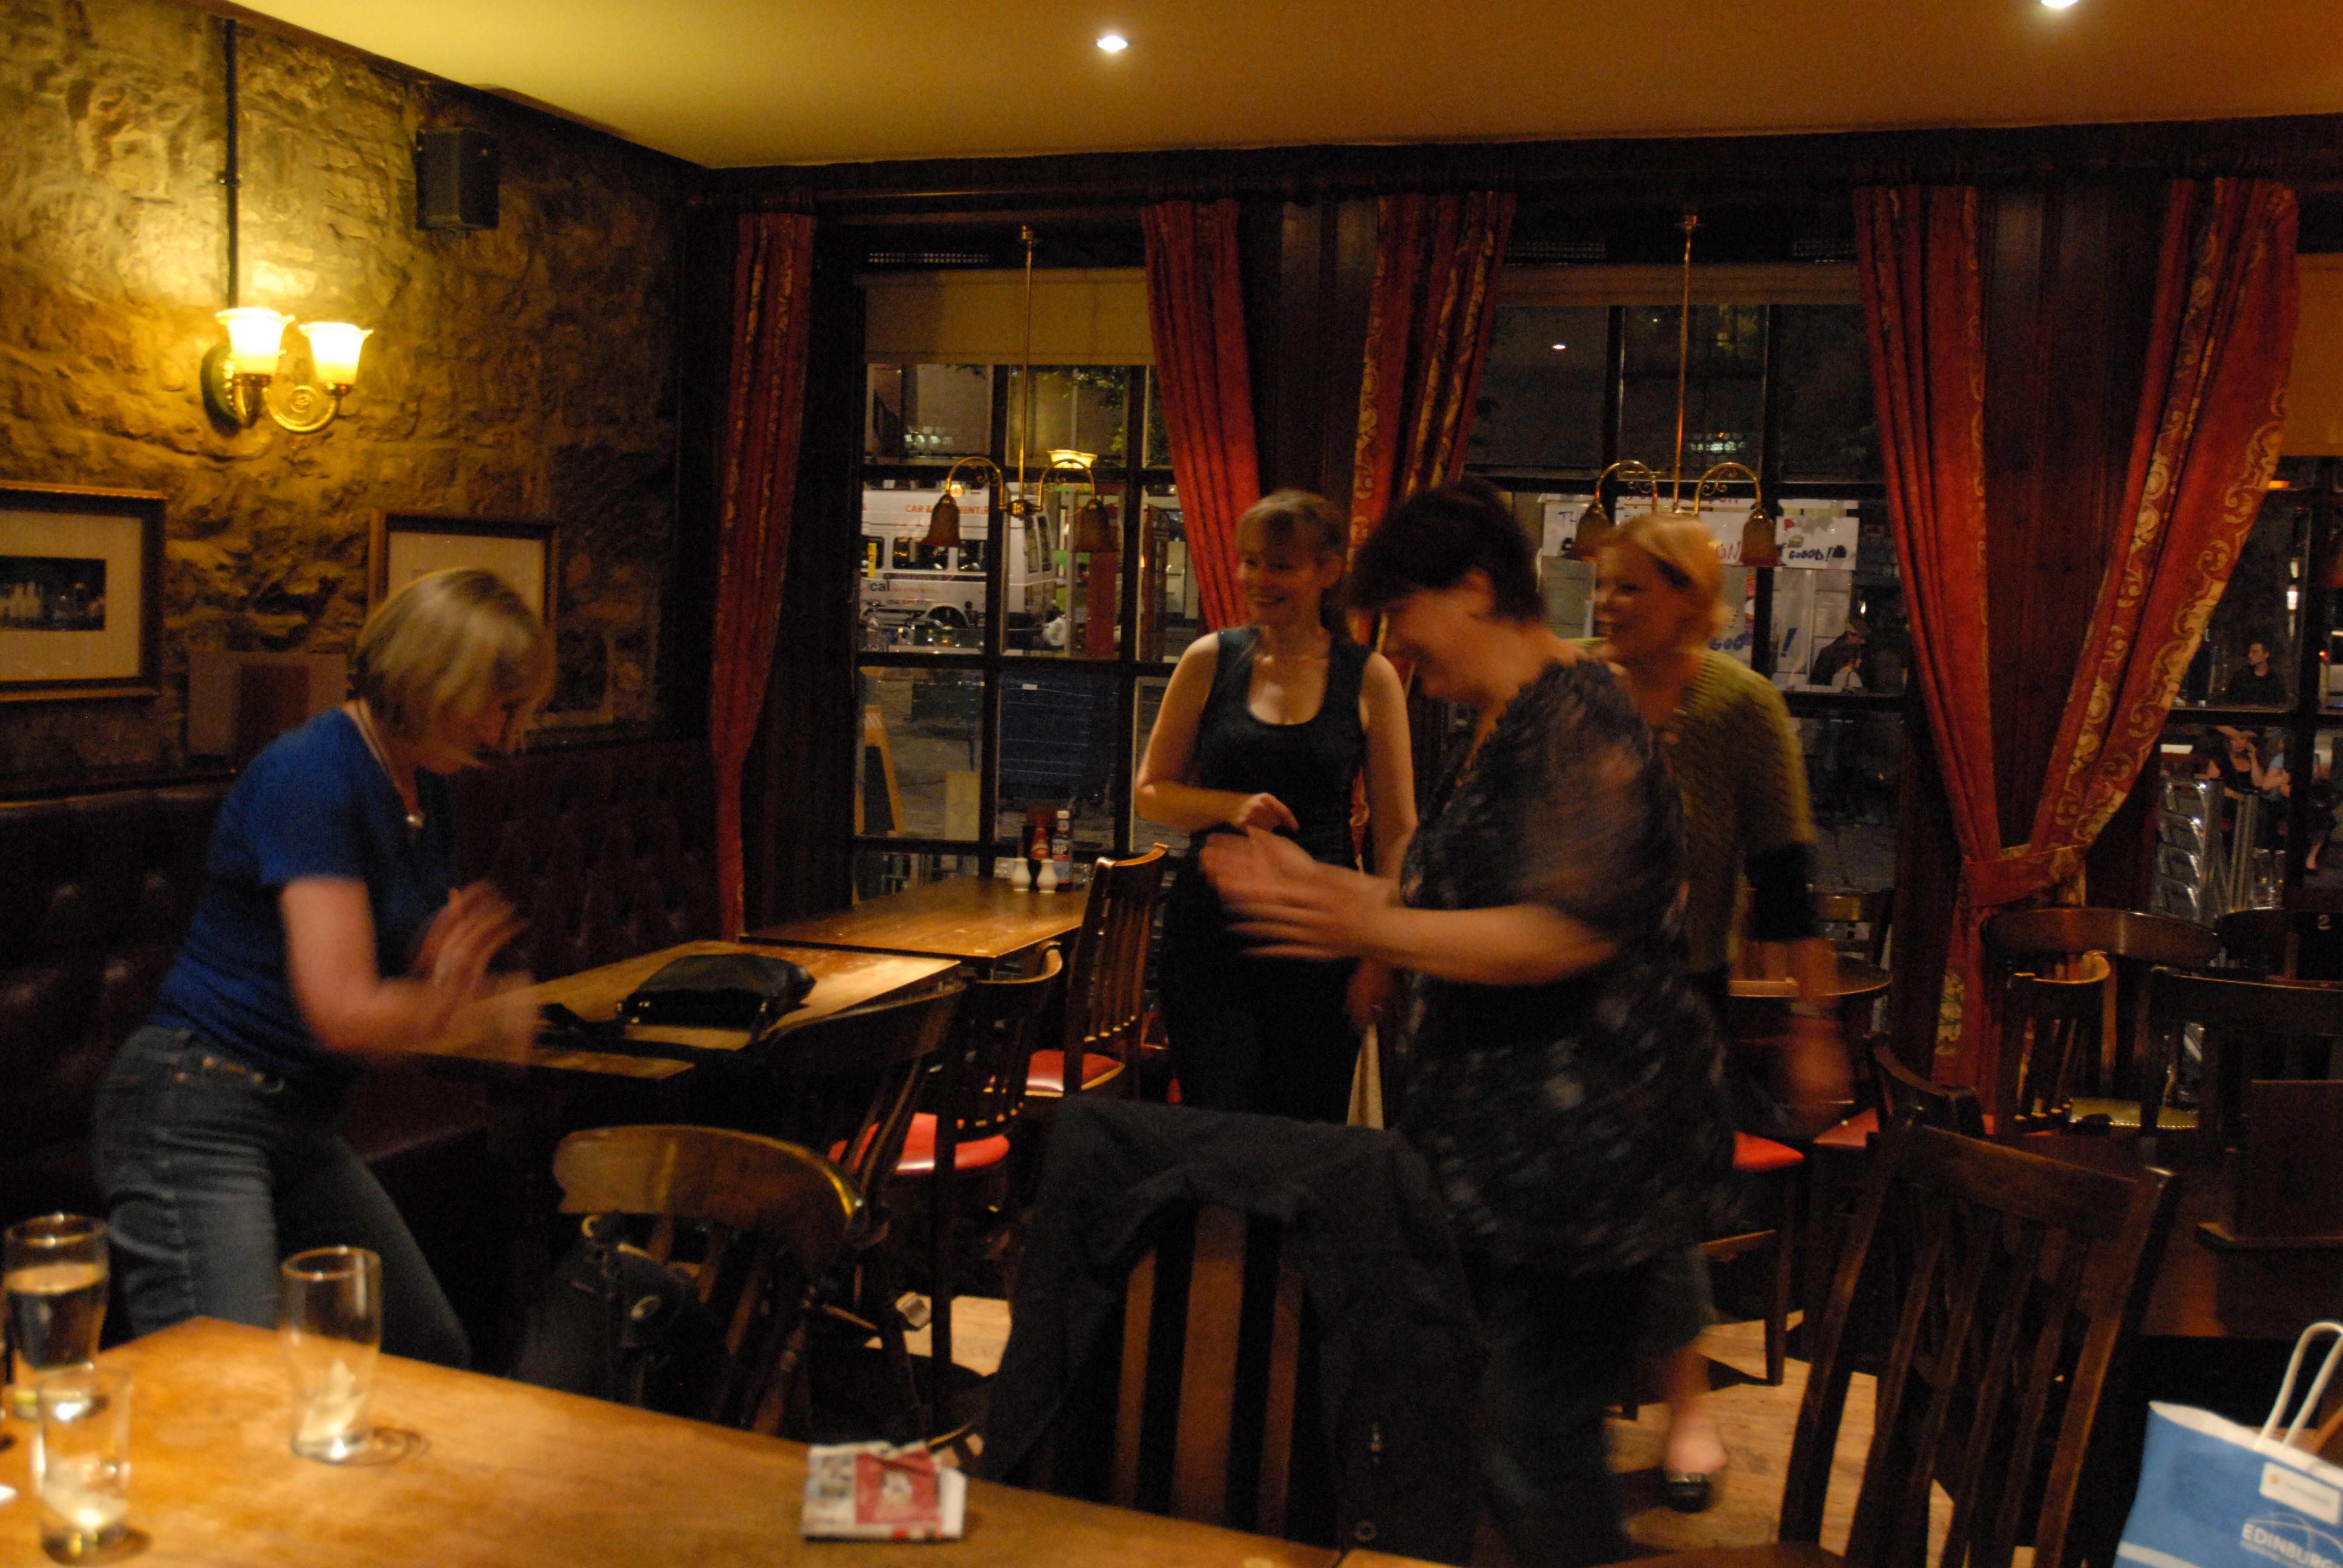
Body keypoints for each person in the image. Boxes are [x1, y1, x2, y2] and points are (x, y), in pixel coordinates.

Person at [1204, 480, 1734, 1568]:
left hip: (1582, 1164)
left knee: (1532, 1441)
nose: (1394, 642)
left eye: (1403, 610)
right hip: (1515, 1165)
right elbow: (1462, 902)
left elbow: (1566, 932)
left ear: (1478, 589)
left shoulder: (1578, 715)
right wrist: (1341, 898)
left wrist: (1368, 923)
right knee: (1502, 1439)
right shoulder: (1507, 724)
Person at [93, 569, 551, 1367]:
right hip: (194, 1109)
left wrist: (460, 996)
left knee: (426, 1349)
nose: (497, 729)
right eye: (490, 701)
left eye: (510, 707)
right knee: (234, 1386)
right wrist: (473, 1013)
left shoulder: (427, 785)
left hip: (298, 1116)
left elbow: (400, 999)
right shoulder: (312, 773)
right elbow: (342, 1011)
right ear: (426, 679)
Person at [1592, 510, 1851, 1511]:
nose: (1606, 603)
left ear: (1691, 602)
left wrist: (1814, 1026)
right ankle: (1560, 1406)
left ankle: (1686, 1410)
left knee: (1651, 1202)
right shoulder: (1571, 689)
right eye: (1602, 584)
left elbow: (1784, 879)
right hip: (1556, 991)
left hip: (1674, 1005)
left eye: (1630, 586)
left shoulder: (1740, 706)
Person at [1136, 490, 1414, 1120]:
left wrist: (1380, 953)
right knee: (1217, 1121)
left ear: (1328, 571)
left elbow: (1399, 831)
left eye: (1281, 565)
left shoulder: (1368, 675)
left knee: (1305, 1127)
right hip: (1211, 935)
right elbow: (1150, 793)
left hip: (1322, 934)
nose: (1259, 580)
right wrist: (1229, 805)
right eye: (1250, 562)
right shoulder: (1210, 659)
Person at [2221, 640, 2288, 707]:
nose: (2250, 655)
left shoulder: (2275, 679)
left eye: (2255, 652)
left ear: (2266, 655)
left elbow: (2280, 703)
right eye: (2250, 652)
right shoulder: (2241, 676)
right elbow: (2229, 699)